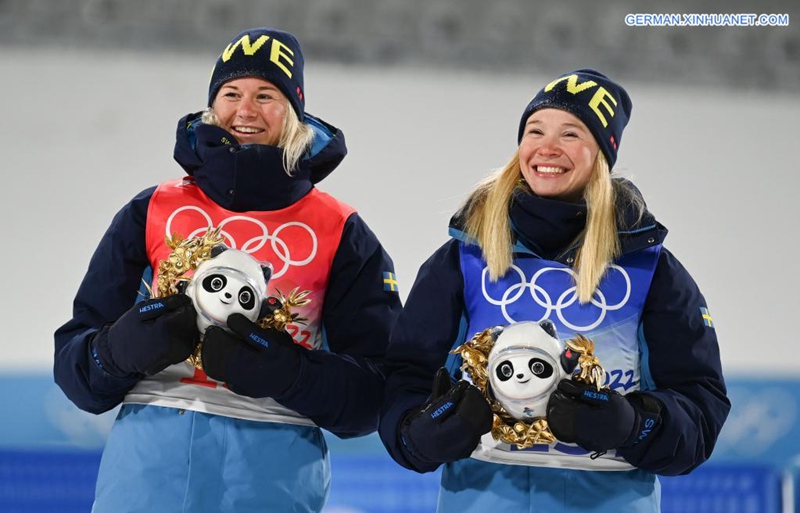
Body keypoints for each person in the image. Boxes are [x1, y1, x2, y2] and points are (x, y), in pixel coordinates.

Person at [54, 27, 401, 513]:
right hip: (145, 478)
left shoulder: (342, 231)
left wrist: (290, 373)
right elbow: (74, 369)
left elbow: (375, 395)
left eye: (266, 95)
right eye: (231, 93)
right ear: (212, 107)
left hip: (271, 481)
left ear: (294, 113)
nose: (246, 110)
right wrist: (116, 351)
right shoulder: (151, 208)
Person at [378, 69, 730, 512]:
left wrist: (631, 425)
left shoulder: (651, 269)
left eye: (571, 133)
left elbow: (701, 406)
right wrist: (419, 433)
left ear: (602, 155)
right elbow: (404, 380)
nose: (547, 147)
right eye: (535, 130)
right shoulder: (463, 259)